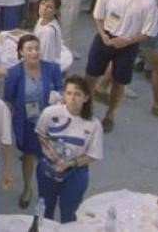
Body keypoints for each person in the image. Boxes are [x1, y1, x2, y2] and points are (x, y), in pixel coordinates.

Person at [84, 0, 156, 134]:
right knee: (91, 75)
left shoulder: (148, 2)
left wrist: (127, 41)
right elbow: (98, 16)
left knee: (119, 82)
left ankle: (110, 115)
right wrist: (103, 35)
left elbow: (148, 32)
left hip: (128, 44)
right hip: (105, 38)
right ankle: (87, 108)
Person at [2, 34, 63, 209]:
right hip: (28, 122)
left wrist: (58, 95)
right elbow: (9, 100)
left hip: (51, 123)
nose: (34, 52)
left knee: (51, 155)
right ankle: (28, 187)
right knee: (29, 157)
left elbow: (60, 87)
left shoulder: (52, 68)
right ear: (21, 52)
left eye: (36, 48)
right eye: (29, 49)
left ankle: (50, 189)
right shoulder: (14, 73)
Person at [35, 76, 103, 223]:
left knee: (70, 213)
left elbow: (93, 155)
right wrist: (50, 151)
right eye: (69, 93)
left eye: (78, 94)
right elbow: (40, 134)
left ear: (86, 98)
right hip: (48, 168)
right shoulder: (50, 113)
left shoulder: (93, 124)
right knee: (44, 210)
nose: (72, 98)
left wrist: (70, 163)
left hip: (75, 173)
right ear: (64, 94)